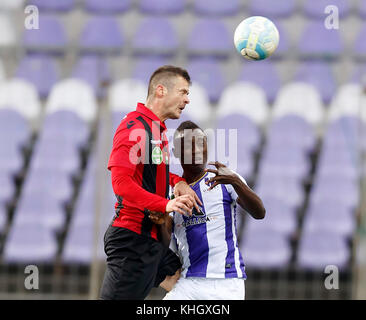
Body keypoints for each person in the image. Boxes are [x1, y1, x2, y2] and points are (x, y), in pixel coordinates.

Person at [99, 66, 202, 300]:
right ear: (161, 90)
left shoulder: (156, 130)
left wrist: (178, 182)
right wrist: (165, 205)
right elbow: (122, 184)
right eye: (183, 92)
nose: (187, 99)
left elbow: (154, 174)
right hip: (133, 241)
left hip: (152, 240)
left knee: (188, 286)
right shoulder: (135, 128)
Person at [149, 120, 266, 300]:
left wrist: (235, 181)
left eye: (201, 143)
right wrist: (163, 218)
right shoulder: (170, 193)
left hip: (227, 282)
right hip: (190, 282)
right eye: (188, 145)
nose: (196, 149)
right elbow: (165, 241)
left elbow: (259, 213)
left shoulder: (225, 180)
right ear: (176, 153)